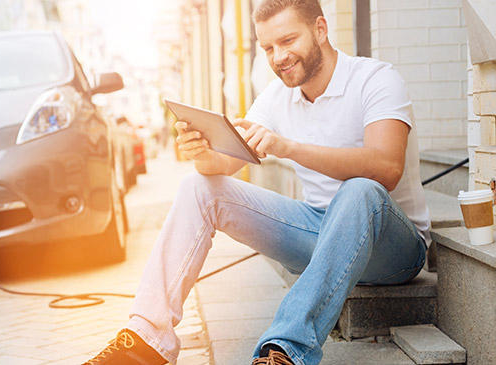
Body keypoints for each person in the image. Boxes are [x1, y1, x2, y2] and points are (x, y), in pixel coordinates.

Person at [83, 0, 430, 363]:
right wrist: (202, 154)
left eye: (287, 40)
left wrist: (290, 148)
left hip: (393, 249)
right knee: (197, 187)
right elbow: (225, 163)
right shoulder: (277, 96)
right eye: (267, 48)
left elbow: (387, 167)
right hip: (317, 231)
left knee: (360, 190)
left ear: (321, 30)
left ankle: (286, 349)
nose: (278, 56)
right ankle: (145, 342)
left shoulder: (376, 78)